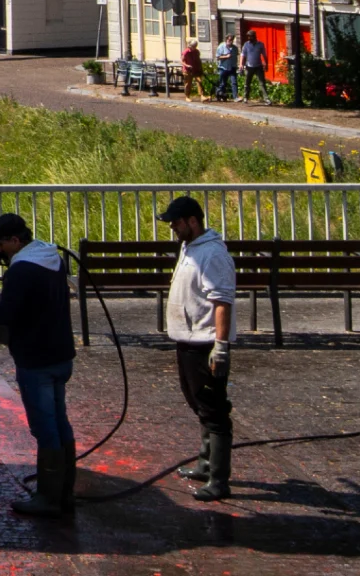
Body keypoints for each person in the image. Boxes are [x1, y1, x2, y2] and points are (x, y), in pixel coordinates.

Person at [0, 212, 76, 517]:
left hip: (36, 359)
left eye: (0, 245)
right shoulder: (53, 259)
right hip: (61, 354)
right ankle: (64, 491)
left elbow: (5, 315)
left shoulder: (21, 271)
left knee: (45, 427)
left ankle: (48, 499)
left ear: (14, 240)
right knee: (60, 422)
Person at [159, 196, 236, 501]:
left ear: (193, 221)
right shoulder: (189, 247)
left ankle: (219, 479)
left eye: (176, 223)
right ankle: (205, 464)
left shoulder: (213, 254)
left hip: (204, 342)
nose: (173, 229)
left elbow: (222, 302)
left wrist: (221, 346)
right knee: (198, 403)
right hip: (187, 340)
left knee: (213, 409)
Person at [239, 31, 269, 102]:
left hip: (258, 66)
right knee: (247, 83)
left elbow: (264, 55)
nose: (249, 38)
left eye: (251, 36)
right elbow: (243, 55)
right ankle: (246, 97)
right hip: (249, 66)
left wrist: (266, 64)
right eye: (248, 36)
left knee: (262, 83)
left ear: (254, 36)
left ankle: (266, 99)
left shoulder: (260, 44)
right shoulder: (246, 44)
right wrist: (241, 64)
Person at [213, 35, 239, 102]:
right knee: (223, 83)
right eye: (229, 40)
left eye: (232, 40)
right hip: (223, 67)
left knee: (234, 82)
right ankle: (221, 95)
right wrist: (226, 56)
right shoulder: (221, 46)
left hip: (232, 67)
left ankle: (235, 97)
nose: (230, 41)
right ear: (226, 40)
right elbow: (218, 57)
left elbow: (236, 56)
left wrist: (237, 65)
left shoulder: (235, 48)